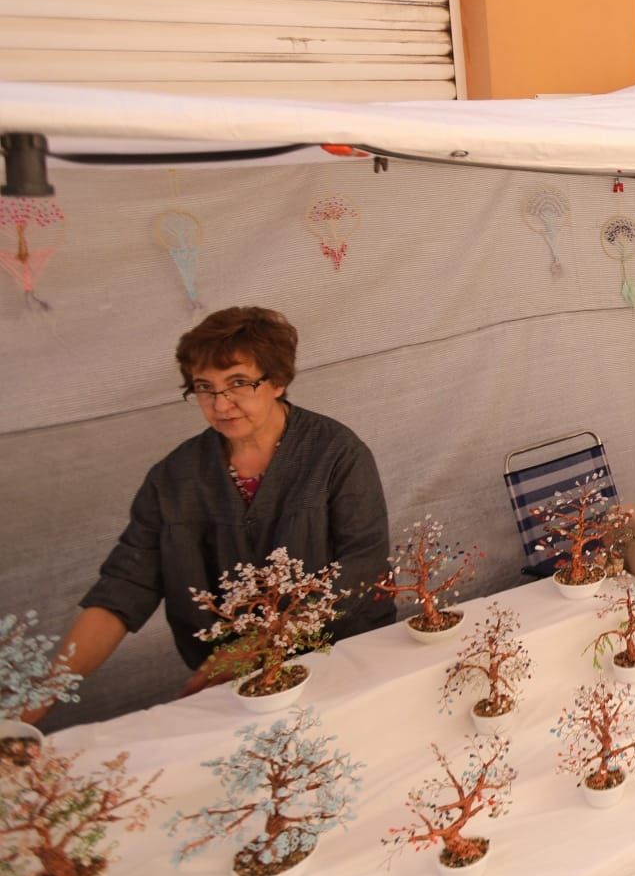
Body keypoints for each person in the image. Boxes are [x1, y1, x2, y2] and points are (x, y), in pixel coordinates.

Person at [27, 307, 393, 717]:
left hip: (342, 663)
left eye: (239, 383)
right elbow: (122, 590)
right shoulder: (173, 478)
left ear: (277, 381)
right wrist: (40, 695)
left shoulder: (336, 454)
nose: (221, 404)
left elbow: (363, 563)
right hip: (239, 688)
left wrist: (253, 648)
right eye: (205, 387)